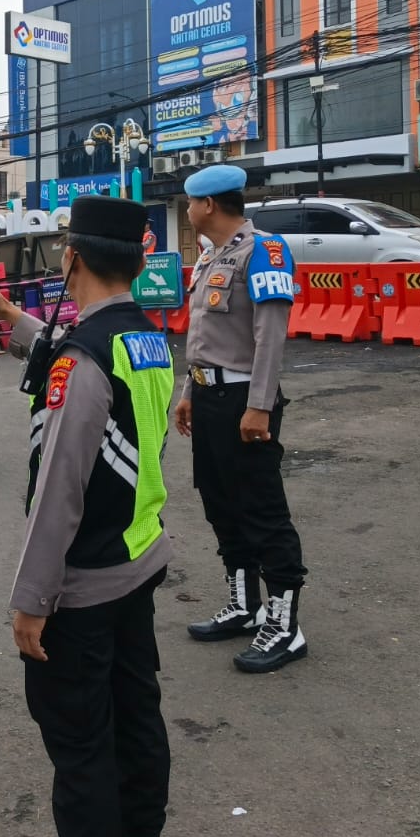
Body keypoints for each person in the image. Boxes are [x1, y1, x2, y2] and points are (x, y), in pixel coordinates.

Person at [0, 193, 173, 837]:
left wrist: (31, 599)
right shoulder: (144, 336)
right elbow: (72, 357)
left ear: (72, 258)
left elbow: (57, 493)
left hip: (82, 591)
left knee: (83, 757)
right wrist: (5, 312)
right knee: (137, 728)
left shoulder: (82, 364)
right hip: (137, 561)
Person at [175, 163, 307, 674]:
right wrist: (190, 390)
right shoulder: (211, 256)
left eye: (191, 203)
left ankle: (285, 626)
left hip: (243, 400)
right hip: (209, 397)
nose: (188, 211)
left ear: (208, 205)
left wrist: (259, 404)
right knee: (220, 502)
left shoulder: (264, 251)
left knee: (261, 509)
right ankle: (245, 604)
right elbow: (204, 338)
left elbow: (270, 336)